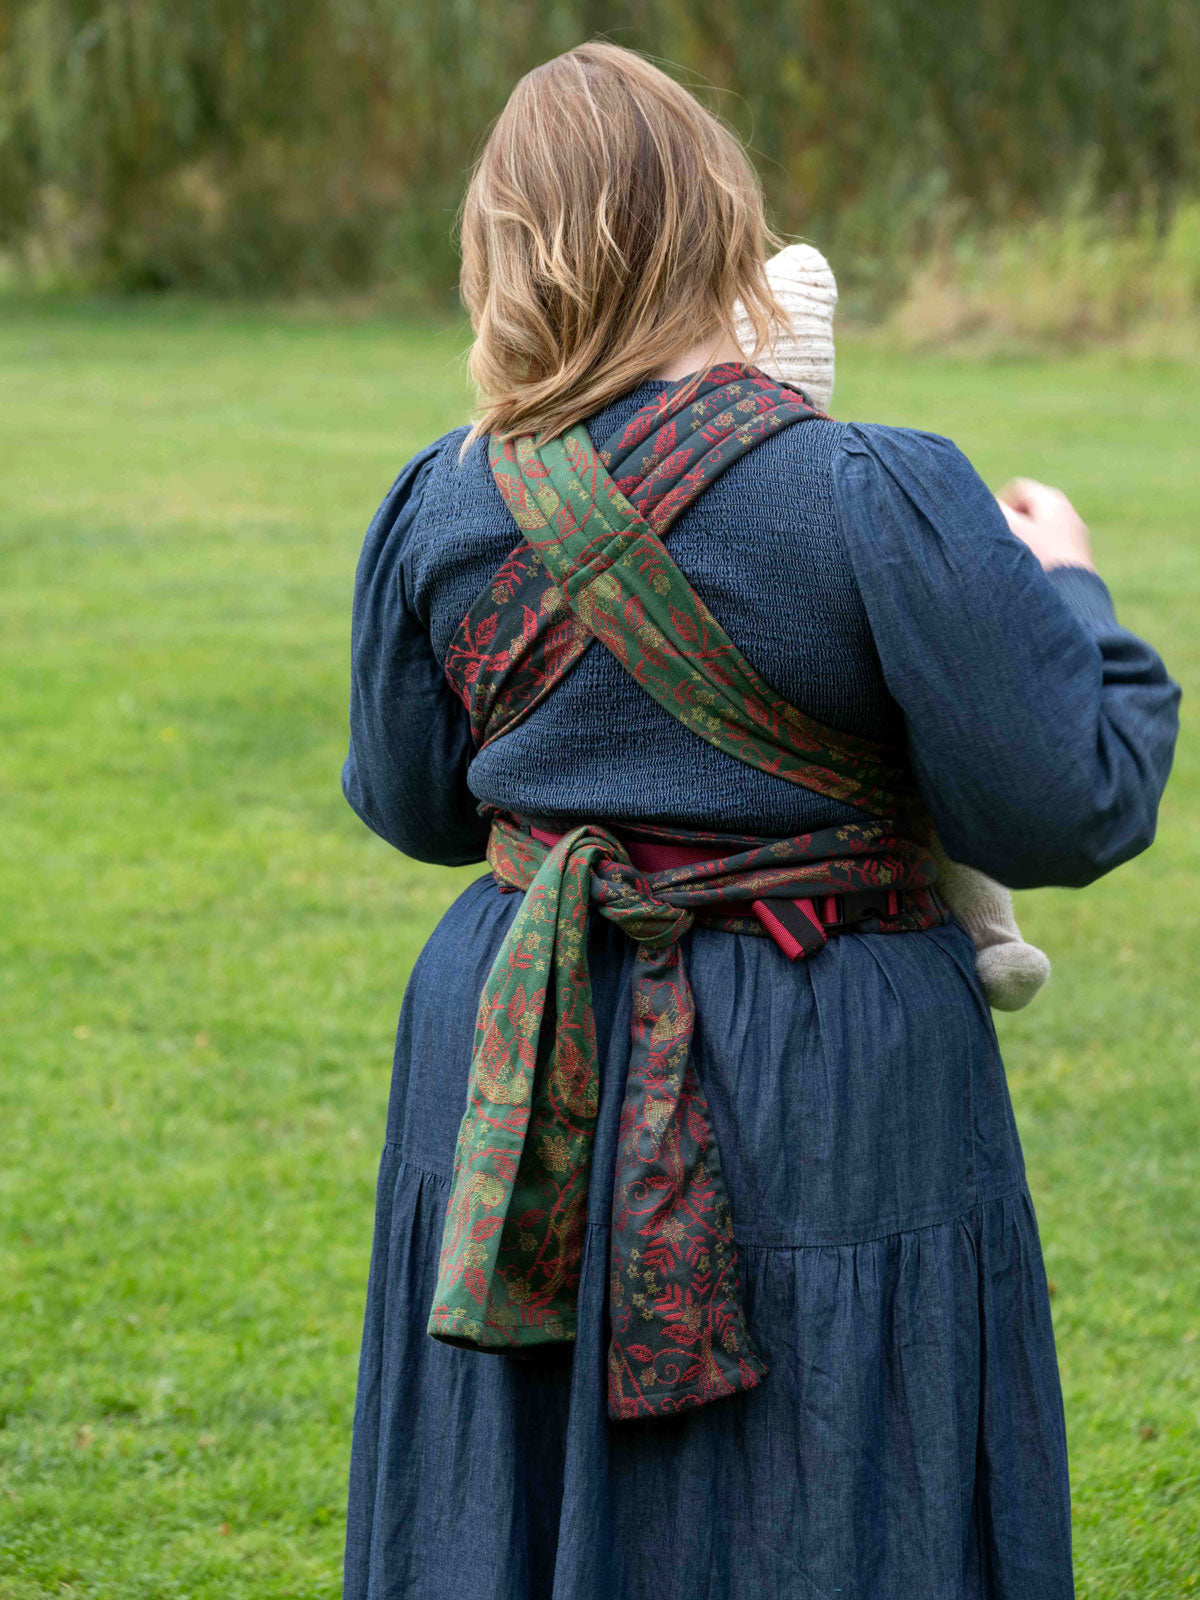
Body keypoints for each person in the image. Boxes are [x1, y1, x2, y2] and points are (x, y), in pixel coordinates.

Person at [340, 41, 1180, 1600]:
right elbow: (1072, 800)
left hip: (517, 1044)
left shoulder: (442, 503)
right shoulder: (876, 491)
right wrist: (1072, 589)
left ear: (500, 249)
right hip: (820, 1064)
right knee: (846, 1462)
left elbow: (410, 805)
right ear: (723, 230)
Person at [739, 242, 1053, 1012]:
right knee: (938, 782)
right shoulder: (882, 492)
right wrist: (1064, 580)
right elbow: (1050, 789)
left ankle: (996, 937)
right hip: (861, 970)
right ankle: (995, 936)